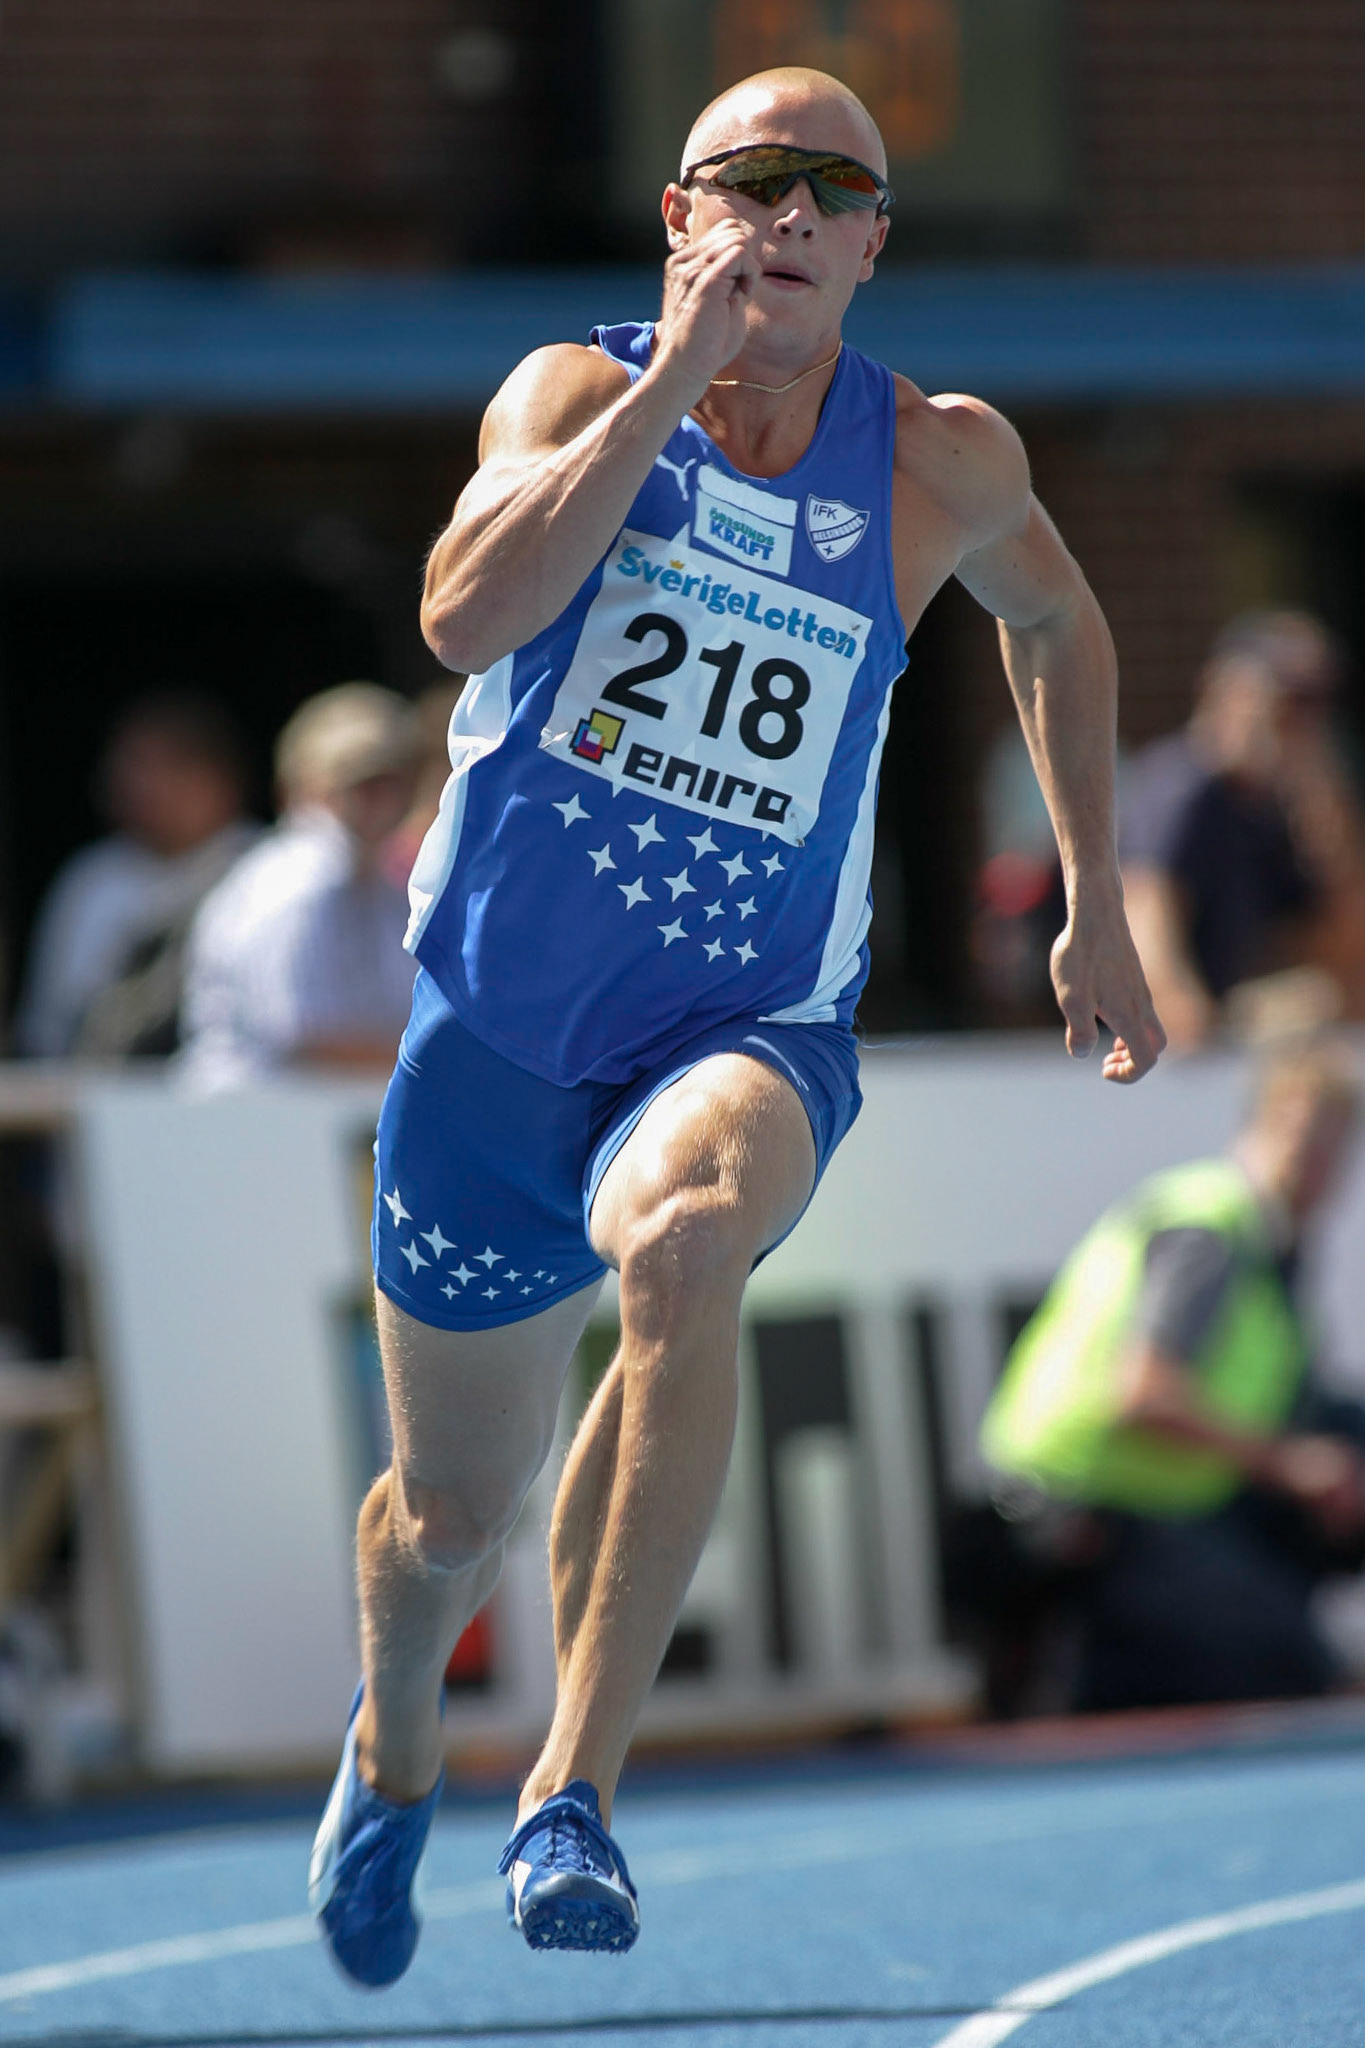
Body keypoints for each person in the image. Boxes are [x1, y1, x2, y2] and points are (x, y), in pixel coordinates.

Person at [308, 66, 1164, 1986]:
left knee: (690, 1241)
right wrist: (658, 393)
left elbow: (1061, 623)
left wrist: (1096, 893)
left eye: (826, 189)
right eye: (743, 183)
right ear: (680, 223)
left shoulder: (938, 456)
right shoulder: (562, 391)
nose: (783, 214)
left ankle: (571, 1797)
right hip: (491, 1042)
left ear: (874, 240)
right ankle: (394, 1743)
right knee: (445, 1509)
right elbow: (461, 617)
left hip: (746, 1016)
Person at [982, 1039, 1365, 1712]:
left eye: (1331, 1148)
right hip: (1082, 1505)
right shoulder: (1210, 1229)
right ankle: (1067, 1672)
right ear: (1258, 1124)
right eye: (1300, 1139)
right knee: (1284, 1663)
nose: (1313, 1165)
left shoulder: (1274, 1248)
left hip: (1173, 1496)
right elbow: (1143, 1394)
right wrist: (1289, 1465)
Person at [1120, 611, 1365, 1053]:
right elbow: (1145, 934)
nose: (1303, 720)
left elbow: (1344, 946)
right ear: (1227, 690)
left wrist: (1329, 813)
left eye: (1317, 701)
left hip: (1238, 1024)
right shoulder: (1182, 789)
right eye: (1290, 697)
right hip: (1168, 1052)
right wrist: (1191, 1036)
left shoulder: (1274, 804)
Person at [178, 684, 419, 1089]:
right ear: (304, 788)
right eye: (358, 781)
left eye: (394, 778)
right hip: (241, 1125)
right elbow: (306, 1036)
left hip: (324, 1122)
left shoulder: (386, 887)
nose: (381, 798)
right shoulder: (296, 877)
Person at [14, 693, 256, 1059]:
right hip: (106, 1095)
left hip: (238, 1096)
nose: (139, 784)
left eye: (167, 766)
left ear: (219, 780)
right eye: (131, 766)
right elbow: (49, 1030)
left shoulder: (266, 866)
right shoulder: (91, 877)